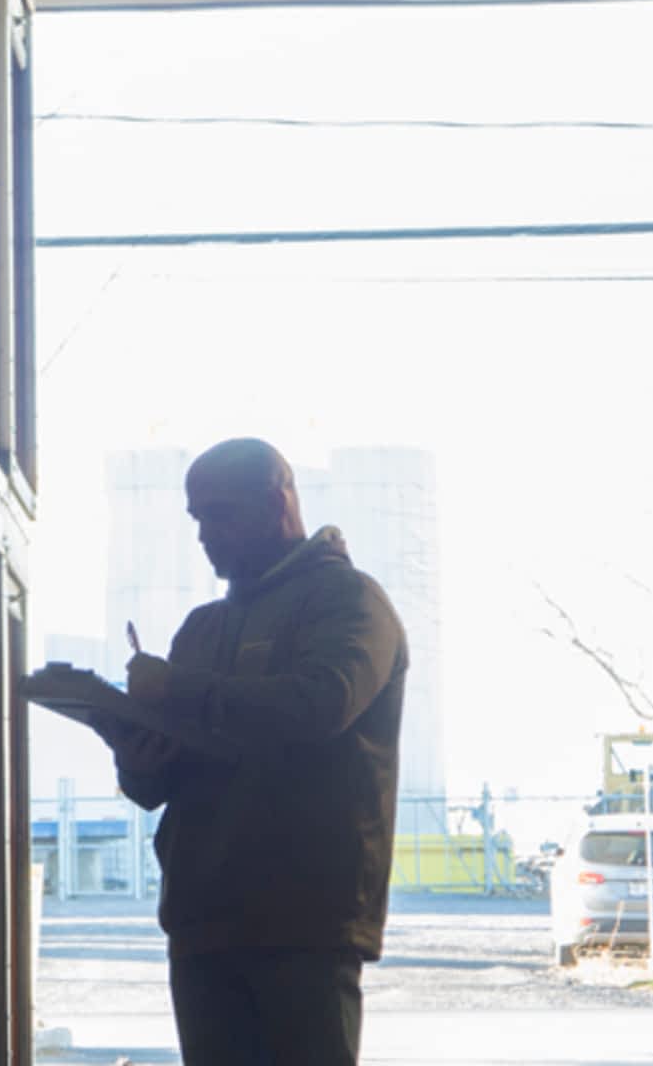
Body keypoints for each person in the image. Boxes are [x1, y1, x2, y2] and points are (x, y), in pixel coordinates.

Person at [104, 438, 408, 1066]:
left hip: (304, 921)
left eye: (222, 513)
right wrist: (135, 751)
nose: (205, 534)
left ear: (279, 503)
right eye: (197, 518)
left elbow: (319, 706)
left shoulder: (351, 603)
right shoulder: (202, 628)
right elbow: (156, 787)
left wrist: (178, 688)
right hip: (202, 921)